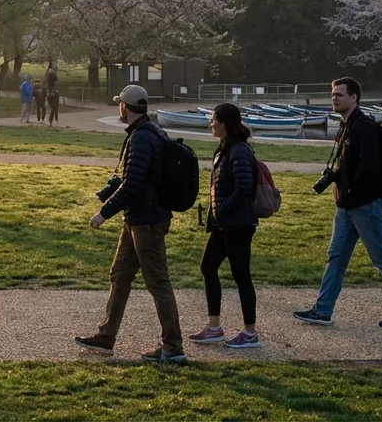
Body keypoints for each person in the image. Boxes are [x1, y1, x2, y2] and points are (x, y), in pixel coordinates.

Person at [294, 77, 382, 329]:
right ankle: (322, 310)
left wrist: (350, 191)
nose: (334, 98)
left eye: (339, 94)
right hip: (346, 207)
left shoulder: (363, 127)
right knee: (336, 257)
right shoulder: (346, 125)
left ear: (354, 98)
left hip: (365, 205)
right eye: (333, 94)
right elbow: (349, 166)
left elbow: (369, 167)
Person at [75, 84, 184, 363]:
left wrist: (104, 212)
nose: (118, 109)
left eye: (119, 105)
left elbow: (133, 184)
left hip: (147, 221)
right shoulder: (149, 132)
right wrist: (106, 192)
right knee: (120, 274)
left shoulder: (141, 138)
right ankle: (106, 337)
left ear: (125, 107)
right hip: (138, 219)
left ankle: (172, 347)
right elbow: (130, 177)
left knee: (158, 282)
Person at [190, 103, 260, 349]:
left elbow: (243, 189)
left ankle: (250, 333)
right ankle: (214, 327)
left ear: (224, 123)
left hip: (238, 223)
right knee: (208, 267)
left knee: (241, 276)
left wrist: (222, 210)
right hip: (224, 223)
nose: (210, 124)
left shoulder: (239, 150)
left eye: (213, 119)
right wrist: (217, 216)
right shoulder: (224, 148)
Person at [47, 62, 61, 126]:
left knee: (52, 108)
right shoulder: (53, 77)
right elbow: (54, 85)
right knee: (54, 108)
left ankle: (52, 120)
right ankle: (52, 120)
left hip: (52, 94)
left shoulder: (49, 77)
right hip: (53, 94)